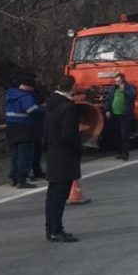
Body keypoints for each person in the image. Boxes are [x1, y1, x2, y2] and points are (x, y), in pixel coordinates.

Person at [44, 75, 82, 243]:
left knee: (53, 193)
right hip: (64, 154)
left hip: (52, 150)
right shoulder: (69, 108)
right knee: (60, 194)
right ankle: (56, 230)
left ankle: (50, 228)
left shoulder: (50, 104)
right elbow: (68, 135)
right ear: (73, 87)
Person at [5, 75, 44, 188]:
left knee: (15, 154)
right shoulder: (26, 97)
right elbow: (32, 111)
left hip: (11, 127)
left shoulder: (11, 95)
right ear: (30, 87)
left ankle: (14, 177)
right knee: (25, 155)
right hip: (25, 128)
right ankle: (22, 179)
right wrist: (43, 109)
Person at [104, 73, 137, 160]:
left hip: (125, 115)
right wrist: (107, 110)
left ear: (123, 80)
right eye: (116, 81)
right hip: (115, 114)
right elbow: (108, 99)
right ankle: (119, 152)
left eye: (118, 81)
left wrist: (124, 90)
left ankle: (125, 153)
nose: (117, 83)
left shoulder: (130, 87)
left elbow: (133, 95)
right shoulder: (112, 89)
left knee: (124, 134)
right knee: (117, 134)